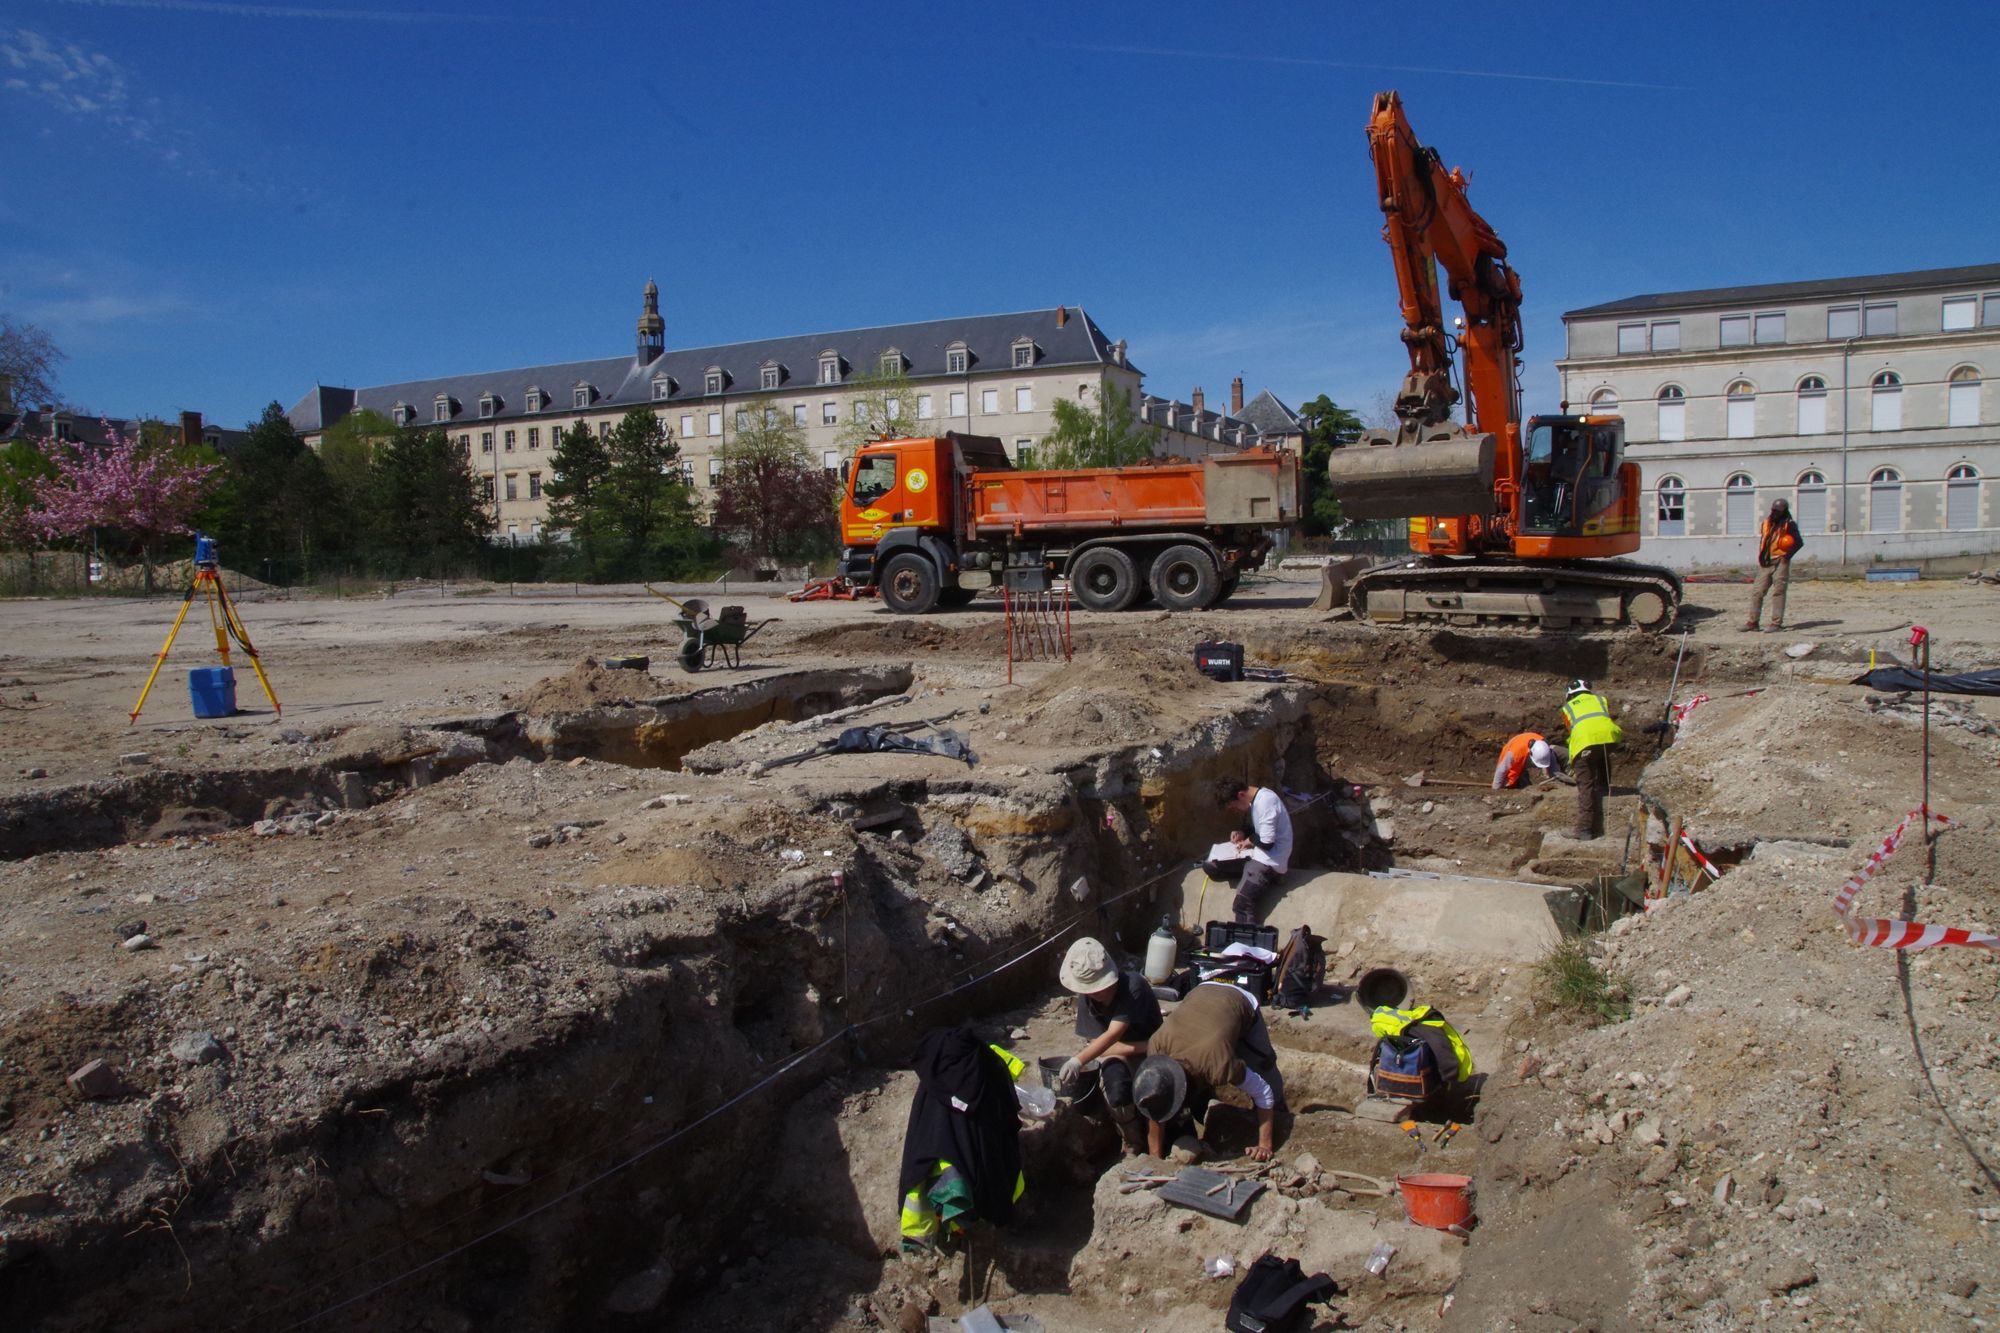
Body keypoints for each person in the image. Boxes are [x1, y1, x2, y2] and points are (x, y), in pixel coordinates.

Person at [897, 1024, 1026, 1254]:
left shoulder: (930, 1088)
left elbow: (914, 1166)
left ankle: (952, 1229)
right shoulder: (985, 1074)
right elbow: (1006, 1126)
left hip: (940, 1194)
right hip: (980, 1188)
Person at [1134, 978, 1280, 1162]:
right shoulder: (1156, 1054)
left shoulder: (1218, 1065)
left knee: (1264, 1065)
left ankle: (1280, 1115)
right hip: (1200, 995)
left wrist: (1265, 1145)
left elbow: (1263, 1091)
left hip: (1236, 999)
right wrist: (1155, 1160)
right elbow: (1156, 1110)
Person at [1056, 937, 1163, 1155]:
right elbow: (1098, 1045)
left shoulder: (1133, 987)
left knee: (1155, 1092)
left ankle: (1161, 1147)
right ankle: (1133, 1143)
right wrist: (1141, 1046)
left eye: (1098, 987)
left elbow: (1114, 1033)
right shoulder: (1088, 999)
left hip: (1154, 1053)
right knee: (1116, 1089)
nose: (1095, 994)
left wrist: (1078, 1060)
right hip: (1138, 1049)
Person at [1204, 778, 1294, 924]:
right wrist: (1243, 833)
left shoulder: (1266, 802)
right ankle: (1254, 879)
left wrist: (1250, 840)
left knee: (1242, 904)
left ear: (1241, 795)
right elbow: (1259, 828)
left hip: (1270, 860)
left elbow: (1267, 843)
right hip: (1255, 854)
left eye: (1234, 806)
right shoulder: (1254, 800)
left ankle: (1246, 940)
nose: (1237, 810)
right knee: (1210, 866)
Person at [1558, 679, 1623, 841]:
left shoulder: (1567, 707)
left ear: (1570, 694)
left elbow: (1572, 730)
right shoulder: (1600, 700)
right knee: (1600, 751)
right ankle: (1604, 785)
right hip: (1611, 738)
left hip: (1585, 741)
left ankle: (1584, 829)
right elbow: (1600, 722)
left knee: (1585, 785)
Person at [1744, 498, 1804, 632]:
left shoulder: (1789, 525)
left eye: (1778, 511)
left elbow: (1799, 542)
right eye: (1774, 510)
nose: (1775, 513)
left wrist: (1786, 557)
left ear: (1784, 511)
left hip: (1781, 561)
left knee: (1779, 592)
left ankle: (1776, 623)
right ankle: (1753, 622)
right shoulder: (1767, 523)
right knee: (1757, 592)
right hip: (1766, 562)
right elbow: (1764, 541)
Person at [1491, 731, 1565, 789]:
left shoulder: (1544, 746)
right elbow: (1501, 771)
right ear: (1530, 754)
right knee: (1513, 779)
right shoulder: (1513, 754)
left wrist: (1555, 778)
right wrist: (1496, 788)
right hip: (1514, 751)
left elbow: (1551, 762)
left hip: (1528, 749)